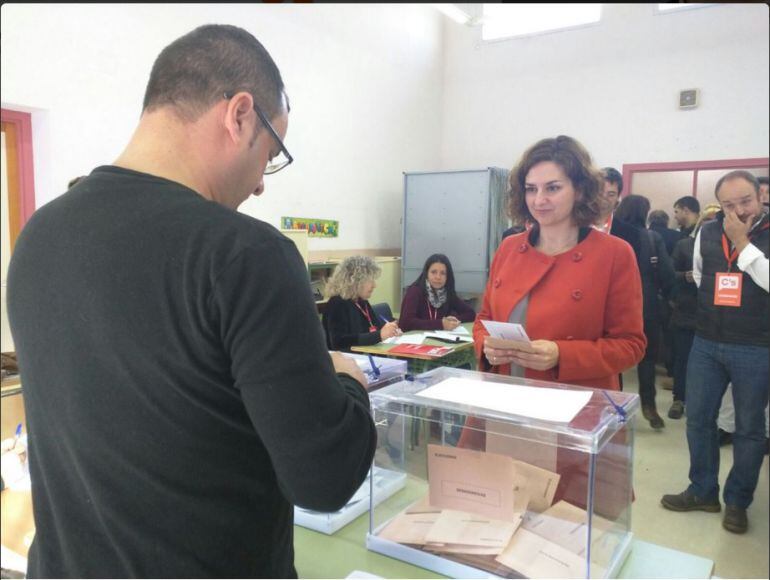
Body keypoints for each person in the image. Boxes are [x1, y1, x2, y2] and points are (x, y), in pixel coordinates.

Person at [6, 25, 376, 578]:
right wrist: (347, 381)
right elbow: (323, 481)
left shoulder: (38, 235)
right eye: (271, 154)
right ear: (240, 115)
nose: (260, 185)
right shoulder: (247, 254)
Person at [476, 136, 646, 389]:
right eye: (531, 189)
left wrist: (562, 355)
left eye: (552, 188)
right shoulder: (509, 248)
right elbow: (484, 319)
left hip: (574, 403)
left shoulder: (615, 253)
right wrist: (486, 346)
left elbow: (630, 345)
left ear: (579, 190)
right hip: (504, 392)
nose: (538, 199)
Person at [662, 170, 769, 535]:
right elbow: (698, 272)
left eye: (745, 202)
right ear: (719, 204)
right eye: (728, 204)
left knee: (750, 429)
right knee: (698, 420)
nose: (737, 211)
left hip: (756, 345)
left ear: (760, 197)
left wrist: (742, 242)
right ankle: (703, 490)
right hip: (706, 341)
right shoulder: (706, 232)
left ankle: (738, 501)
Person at [615, 195, 675, 429]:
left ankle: (612, 406)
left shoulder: (610, 237)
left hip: (613, 305)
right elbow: (667, 274)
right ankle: (649, 406)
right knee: (647, 357)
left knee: (611, 357)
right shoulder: (651, 238)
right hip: (646, 303)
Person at [667, 203, 720, 420]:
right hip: (686, 310)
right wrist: (684, 276)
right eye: (706, 222)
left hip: (716, 315)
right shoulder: (684, 245)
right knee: (683, 359)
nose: (710, 227)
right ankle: (679, 399)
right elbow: (669, 273)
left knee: (712, 366)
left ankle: (708, 407)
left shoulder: (729, 248)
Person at [322, 255, 402, 351]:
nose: (374, 285)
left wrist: (389, 331)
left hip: (366, 355)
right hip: (346, 360)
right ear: (355, 281)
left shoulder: (362, 301)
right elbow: (338, 342)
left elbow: (374, 328)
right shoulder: (337, 304)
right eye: (370, 281)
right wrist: (379, 335)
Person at [398, 253, 476, 332]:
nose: (438, 277)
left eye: (442, 273)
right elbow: (406, 323)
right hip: (414, 340)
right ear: (426, 273)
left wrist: (450, 322)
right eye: (433, 272)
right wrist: (440, 324)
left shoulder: (447, 293)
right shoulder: (414, 291)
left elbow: (471, 314)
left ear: (448, 276)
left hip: (438, 339)